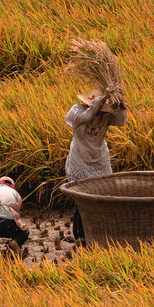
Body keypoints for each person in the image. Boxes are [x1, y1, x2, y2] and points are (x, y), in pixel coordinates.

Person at [64, 87, 127, 245]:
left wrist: (120, 105)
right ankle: (80, 236)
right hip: (80, 160)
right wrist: (101, 99)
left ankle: (99, 233)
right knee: (82, 199)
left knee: (102, 197)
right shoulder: (77, 110)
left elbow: (121, 121)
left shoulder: (105, 116)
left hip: (100, 160)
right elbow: (88, 115)